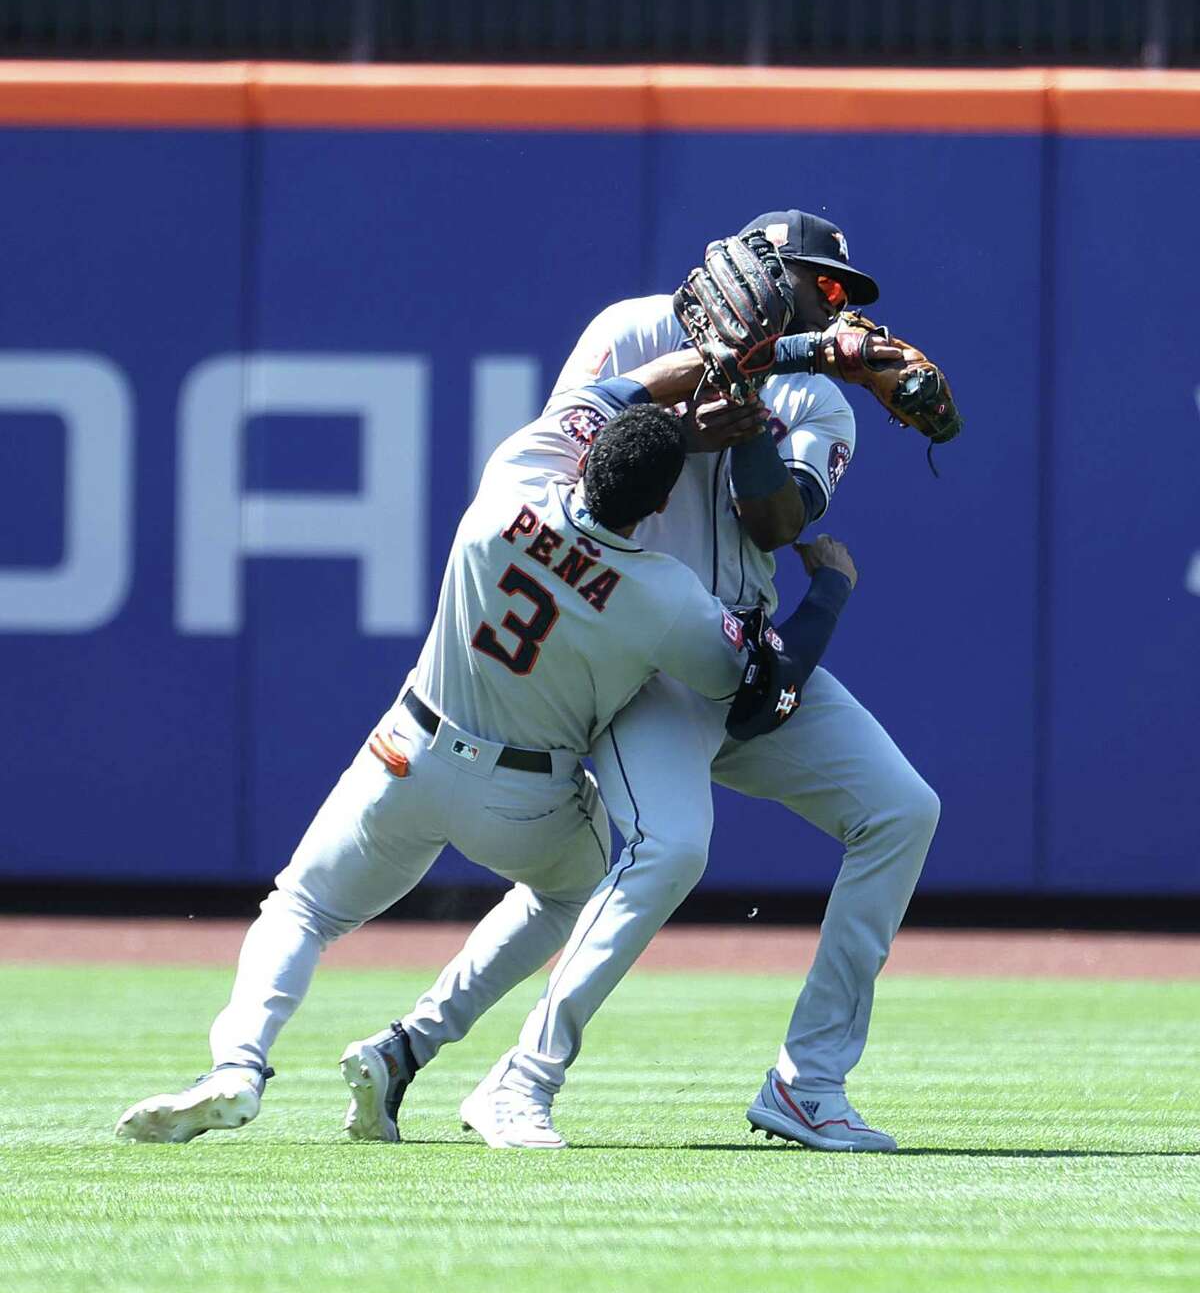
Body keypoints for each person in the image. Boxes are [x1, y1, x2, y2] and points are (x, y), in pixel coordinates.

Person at [115, 347, 857, 1146]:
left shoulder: (515, 474)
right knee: (568, 897)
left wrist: (724, 356)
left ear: (585, 448)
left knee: (300, 907)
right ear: (660, 506)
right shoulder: (666, 597)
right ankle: (413, 1041)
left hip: (409, 748)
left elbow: (616, 391)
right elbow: (761, 691)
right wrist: (830, 588)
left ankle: (238, 1064)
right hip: (524, 795)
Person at [344, 210, 938, 1153]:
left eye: (841, 297)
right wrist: (695, 402)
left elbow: (778, 516)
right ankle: (519, 1081)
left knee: (902, 809)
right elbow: (580, 466)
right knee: (671, 848)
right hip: (641, 662)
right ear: (757, 269)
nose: (832, 307)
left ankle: (807, 1081)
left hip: (740, 647)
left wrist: (749, 396)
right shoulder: (631, 329)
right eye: (819, 284)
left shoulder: (823, 402)